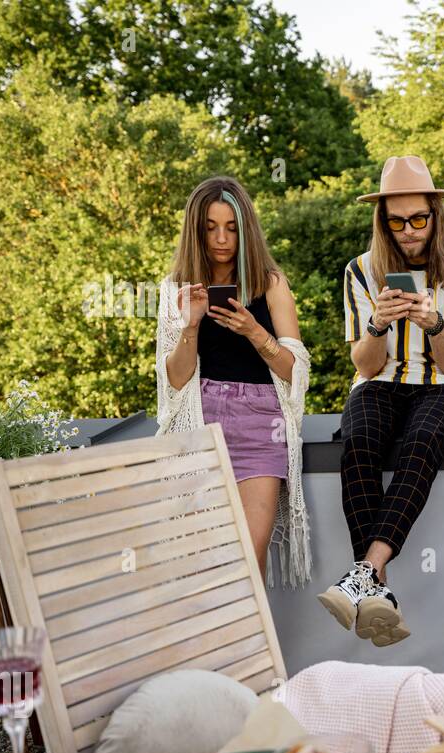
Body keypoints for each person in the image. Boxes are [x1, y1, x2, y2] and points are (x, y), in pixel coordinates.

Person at [317, 155, 444, 646]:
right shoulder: (361, 271)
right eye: (397, 221)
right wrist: (377, 324)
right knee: (360, 440)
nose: (409, 230)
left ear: (438, 215)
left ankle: (364, 574)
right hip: (381, 381)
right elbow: (365, 366)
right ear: (383, 223)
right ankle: (379, 593)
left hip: (443, 386)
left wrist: (434, 324)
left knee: (422, 440)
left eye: (419, 218)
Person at [156, 175, 311, 587]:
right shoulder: (176, 288)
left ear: (245, 230)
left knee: (248, 554)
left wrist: (254, 332)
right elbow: (174, 380)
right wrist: (190, 326)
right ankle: (213, 650)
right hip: (202, 422)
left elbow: (296, 373)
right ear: (196, 231)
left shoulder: (271, 284)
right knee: (204, 559)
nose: (222, 239)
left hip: (262, 424)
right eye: (210, 227)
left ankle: (255, 652)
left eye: (231, 227)